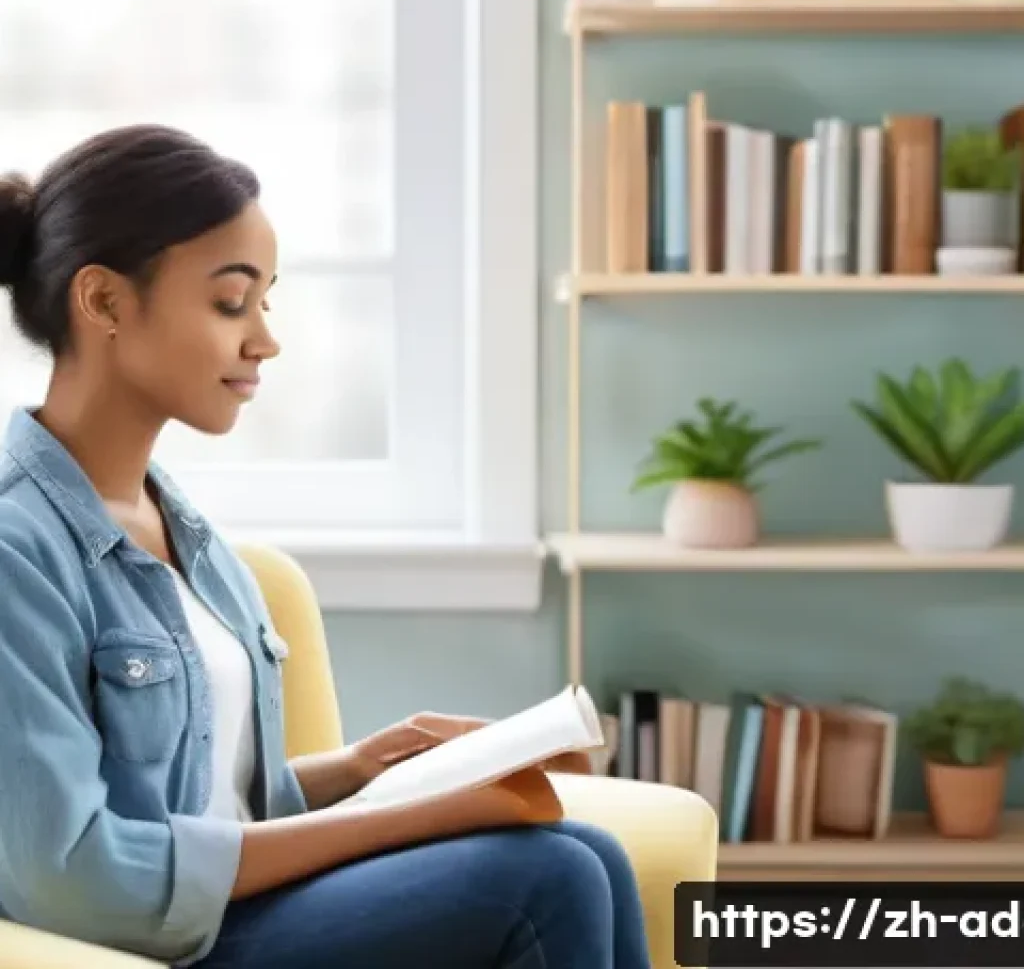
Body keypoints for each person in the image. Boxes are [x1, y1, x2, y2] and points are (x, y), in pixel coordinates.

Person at [0, 125, 653, 969]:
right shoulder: (19, 549)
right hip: (160, 944)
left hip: (237, 910)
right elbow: (71, 876)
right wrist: (414, 817)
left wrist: (361, 765)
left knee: (593, 856)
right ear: (104, 302)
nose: (264, 339)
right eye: (231, 302)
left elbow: (213, 798)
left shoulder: (181, 527)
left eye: (265, 302)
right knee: (550, 878)